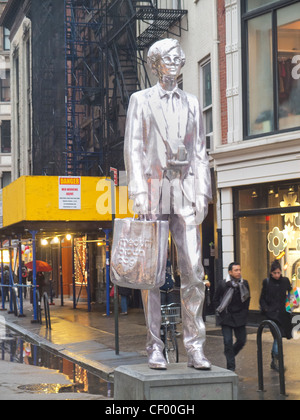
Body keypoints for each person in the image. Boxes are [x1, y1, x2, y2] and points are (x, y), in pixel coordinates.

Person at [124, 38, 212, 370]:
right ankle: (154, 346)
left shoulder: (191, 103)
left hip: (186, 191)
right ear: (156, 63)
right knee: (152, 274)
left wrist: (203, 192)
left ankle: (194, 346)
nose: (176, 61)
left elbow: (201, 151)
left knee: (192, 269)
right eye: (168, 57)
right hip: (151, 189)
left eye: (179, 56)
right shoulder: (140, 100)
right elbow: (133, 148)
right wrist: (137, 192)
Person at [214, 262, 251, 372]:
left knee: (241, 340)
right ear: (230, 272)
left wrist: (245, 312)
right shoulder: (223, 284)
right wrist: (220, 312)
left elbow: (247, 298)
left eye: (239, 270)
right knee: (228, 341)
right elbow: (215, 299)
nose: (239, 272)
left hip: (240, 316)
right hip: (227, 317)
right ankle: (231, 367)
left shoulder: (244, 283)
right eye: (236, 270)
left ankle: (230, 354)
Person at [259, 260, 293, 371]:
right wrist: (266, 309)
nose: (277, 275)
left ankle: (274, 360)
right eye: (275, 273)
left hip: (283, 314)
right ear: (271, 273)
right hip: (272, 315)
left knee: (279, 337)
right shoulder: (267, 282)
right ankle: (277, 360)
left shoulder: (285, 281)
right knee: (277, 337)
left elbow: (291, 293)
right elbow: (262, 298)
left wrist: (291, 304)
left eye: (279, 272)